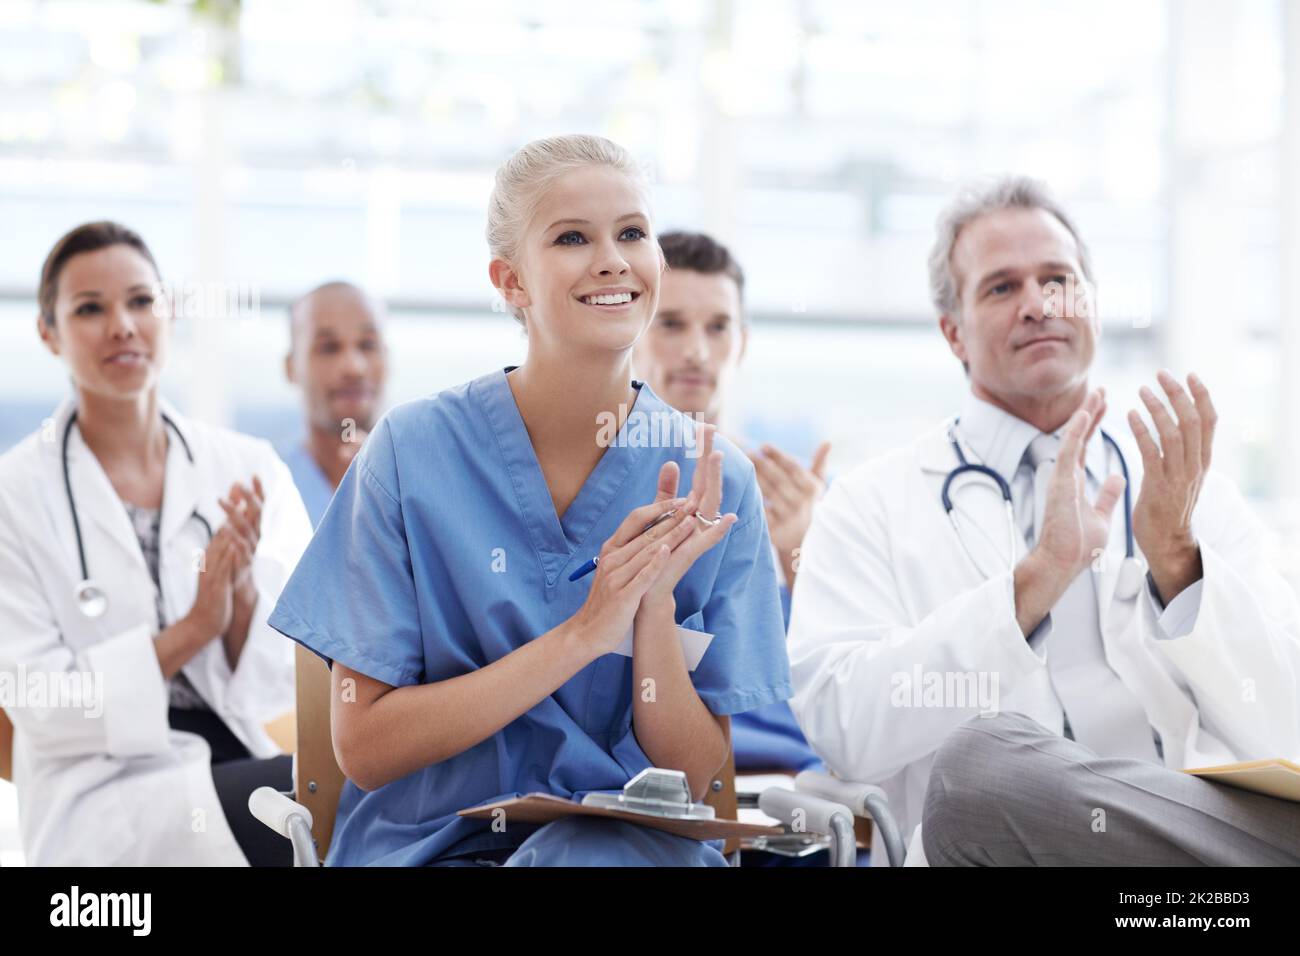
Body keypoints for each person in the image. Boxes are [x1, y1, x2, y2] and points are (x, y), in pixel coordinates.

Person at [267, 135, 791, 867]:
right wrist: (582, 631)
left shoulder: (714, 480)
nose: (611, 259)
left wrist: (654, 612)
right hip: (431, 848)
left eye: (632, 234)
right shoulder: (410, 454)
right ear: (510, 281)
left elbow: (698, 772)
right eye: (573, 237)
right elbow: (366, 748)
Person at [787, 176, 1300, 865]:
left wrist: (1179, 563)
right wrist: (1033, 583)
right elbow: (841, 726)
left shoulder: (1189, 494)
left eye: (1058, 279)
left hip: (1167, 883)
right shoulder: (870, 504)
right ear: (953, 332)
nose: (1038, 305)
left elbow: (1284, 723)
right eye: (1001, 288)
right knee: (982, 768)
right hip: (998, 847)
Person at [0, 221, 314, 865]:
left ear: (168, 313)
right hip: (100, 794)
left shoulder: (246, 468)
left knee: (360, 792)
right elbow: (41, 706)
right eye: (90, 308)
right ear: (48, 332)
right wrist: (192, 630)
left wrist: (242, 595)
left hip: (233, 748)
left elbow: (290, 678)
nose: (122, 324)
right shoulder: (14, 494)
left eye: (141, 301)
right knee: (313, 811)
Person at [632, 232, 828, 815]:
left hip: (799, 796)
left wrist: (800, 558)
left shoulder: (793, 494)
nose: (697, 350)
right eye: (671, 324)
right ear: (633, 332)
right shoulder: (602, 490)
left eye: (718, 327)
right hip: (665, 791)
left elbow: (840, 678)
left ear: (740, 343)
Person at [280, 281, 388, 528]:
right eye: (329, 348)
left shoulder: (421, 484)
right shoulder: (268, 487)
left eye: (368, 345)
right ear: (291, 367)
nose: (353, 367)